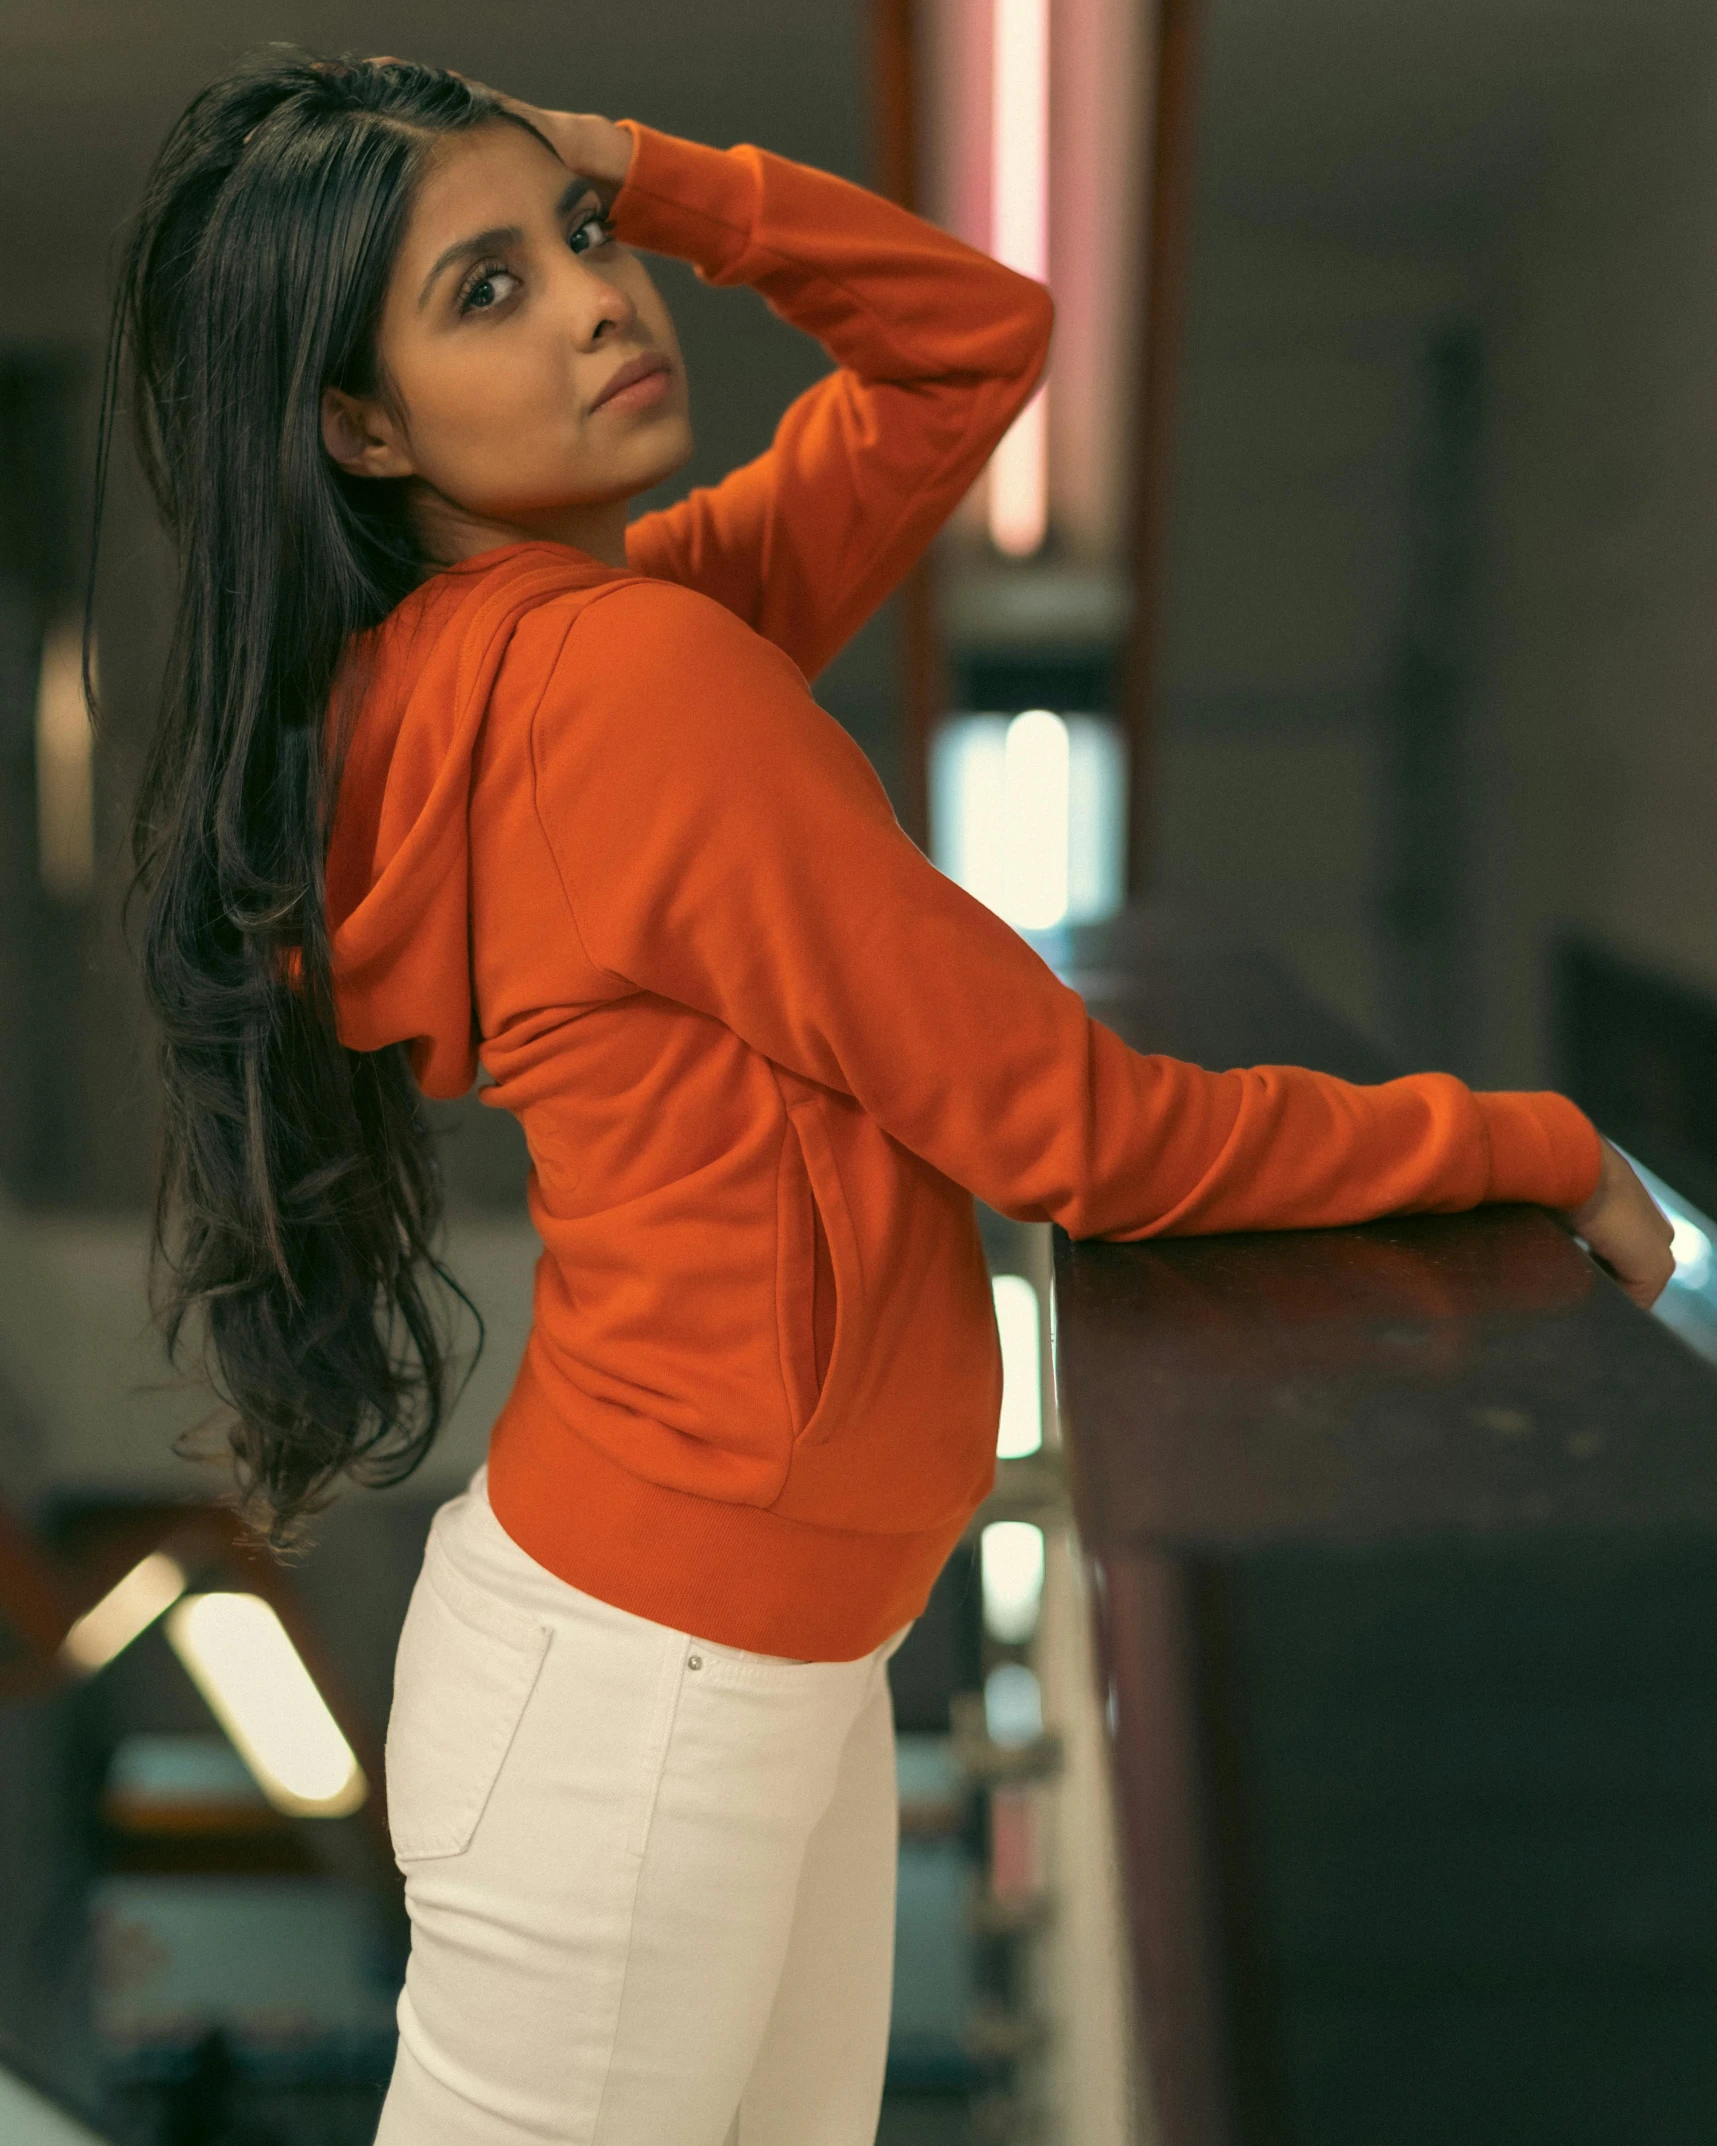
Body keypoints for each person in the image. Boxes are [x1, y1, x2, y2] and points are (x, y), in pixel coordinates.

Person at [109, 48, 1671, 2146]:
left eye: (576, 237)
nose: (594, 297)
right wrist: (1531, 1143)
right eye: (483, 288)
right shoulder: (622, 694)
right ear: (359, 426)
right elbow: (1078, 1134)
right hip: (651, 1684)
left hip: (710, 1658)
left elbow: (970, 353)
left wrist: (649, 169)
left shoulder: (582, 649)